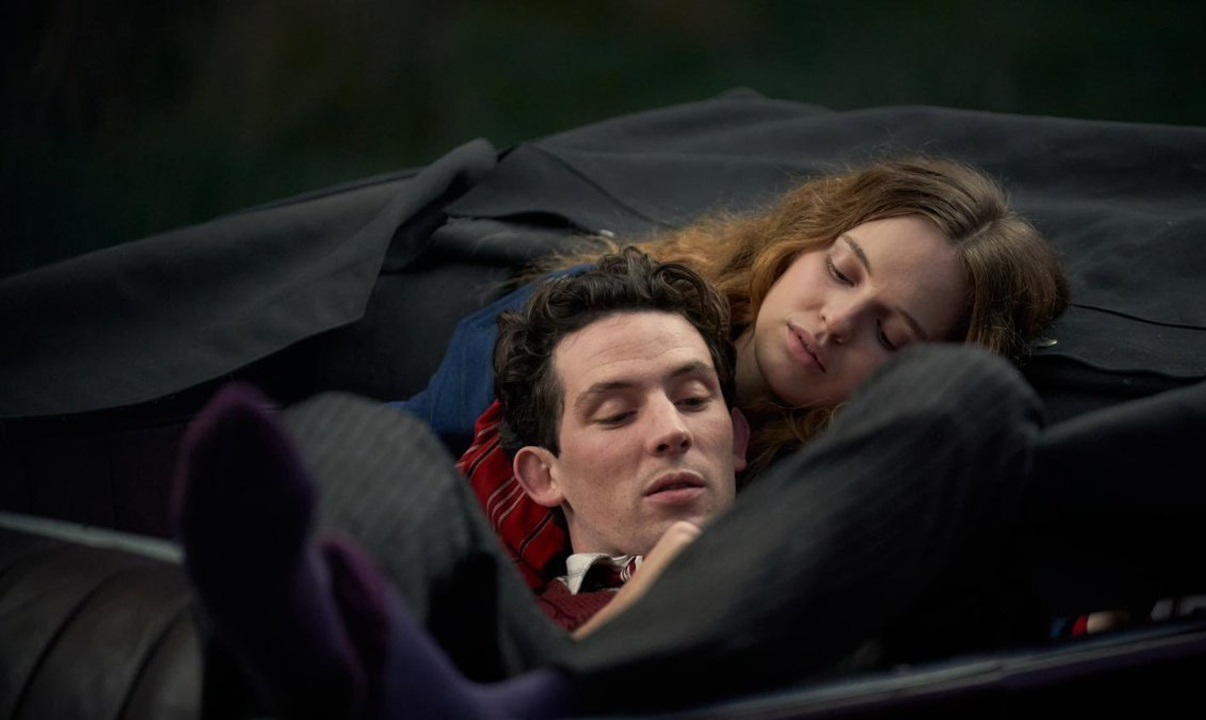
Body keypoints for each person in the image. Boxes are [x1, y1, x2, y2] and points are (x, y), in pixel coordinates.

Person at [174, 247, 1054, 718]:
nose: (670, 429)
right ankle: (322, 653)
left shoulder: (825, 545)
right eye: (614, 412)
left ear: (738, 440)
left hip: (763, 653)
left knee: (972, 394)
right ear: (542, 475)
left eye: (694, 399)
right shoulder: (492, 579)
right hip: (477, 672)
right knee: (343, 431)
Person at [396, 154, 1070, 594]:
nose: (836, 320)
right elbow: (399, 449)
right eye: (841, 271)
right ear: (806, 237)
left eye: (889, 334)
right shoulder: (585, 319)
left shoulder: (829, 504)